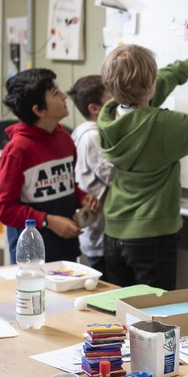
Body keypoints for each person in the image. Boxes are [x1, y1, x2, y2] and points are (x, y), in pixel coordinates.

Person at [97, 43, 188, 290]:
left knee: (119, 315)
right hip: (151, 238)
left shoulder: (109, 117)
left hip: (114, 233)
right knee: (155, 319)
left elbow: (150, 90)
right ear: (151, 82)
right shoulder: (162, 126)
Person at [0, 68, 101, 263]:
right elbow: (2, 207)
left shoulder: (65, 140)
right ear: (39, 110)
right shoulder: (17, 150)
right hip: (31, 255)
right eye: (55, 93)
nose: (64, 95)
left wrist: (82, 198)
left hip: (66, 247)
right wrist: (47, 220)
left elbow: (64, 186)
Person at [68, 75, 114, 273]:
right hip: (98, 233)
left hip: (98, 230)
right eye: (111, 100)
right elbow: (112, 174)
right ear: (94, 109)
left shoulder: (84, 131)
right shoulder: (93, 136)